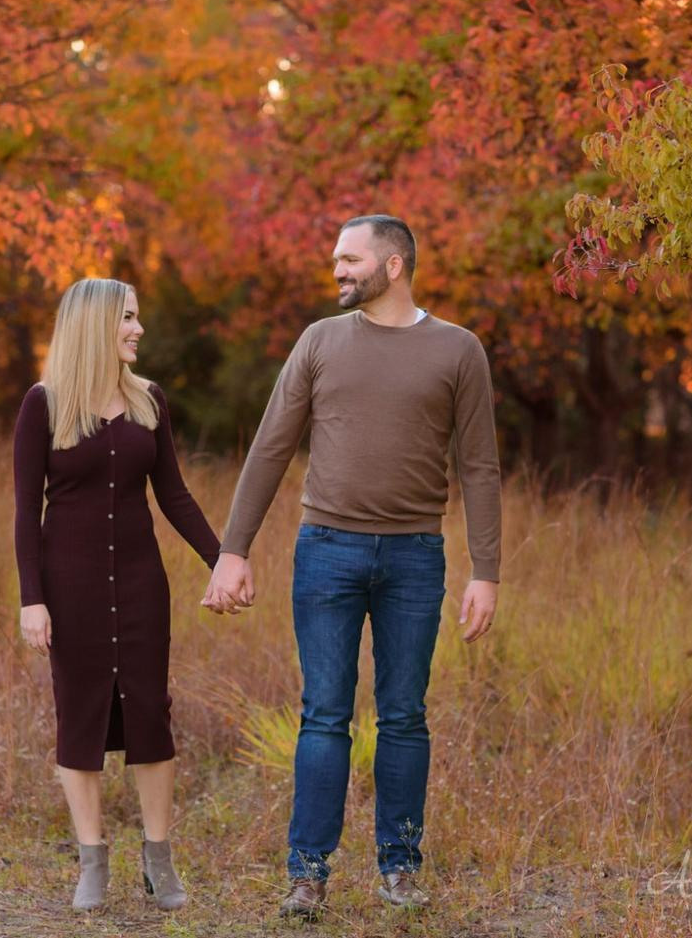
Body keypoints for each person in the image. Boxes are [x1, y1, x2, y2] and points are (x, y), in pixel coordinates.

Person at [202, 215, 501, 919]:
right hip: (326, 552)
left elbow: (480, 466)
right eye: (335, 259)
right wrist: (233, 549)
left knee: (403, 716)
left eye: (349, 259)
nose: (336, 270)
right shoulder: (320, 341)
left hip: (415, 556)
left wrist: (485, 568)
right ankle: (307, 874)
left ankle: (399, 869)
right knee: (324, 714)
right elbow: (271, 446)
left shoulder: (458, 349)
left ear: (394, 265)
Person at [14, 277, 221, 911]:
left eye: (137, 318)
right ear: (94, 325)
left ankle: (158, 861)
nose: (137, 330)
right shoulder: (44, 405)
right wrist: (32, 600)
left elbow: (175, 496)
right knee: (80, 719)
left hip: (140, 588)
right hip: (67, 590)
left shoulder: (149, 401)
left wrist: (224, 560)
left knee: (149, 715)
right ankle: (92, 862)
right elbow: (26, 513)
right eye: (127, 319)